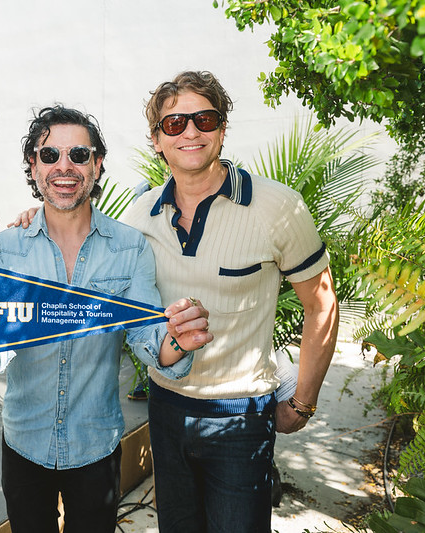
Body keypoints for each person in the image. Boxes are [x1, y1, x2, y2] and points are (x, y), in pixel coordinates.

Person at [0, 105, 213, 533]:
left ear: (97, 165)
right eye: (49, 155)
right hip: (24, 445)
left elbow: (147, 337)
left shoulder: (129, 248)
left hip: (95, 447)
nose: (64, 166)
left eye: (79, 155)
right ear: (33, 165)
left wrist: (178, 342)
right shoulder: (8, 249)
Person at [119, 70, 340, 532]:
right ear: (157, 140)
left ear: (221, 130)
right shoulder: (141, 217)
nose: (191, 132)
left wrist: (303, 402)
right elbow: (93, 254)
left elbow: (321, 303)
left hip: (241, 420)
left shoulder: (277, 207)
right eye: (174, 124)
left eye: (204, 119)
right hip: (165, 409)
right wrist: (35, 216)